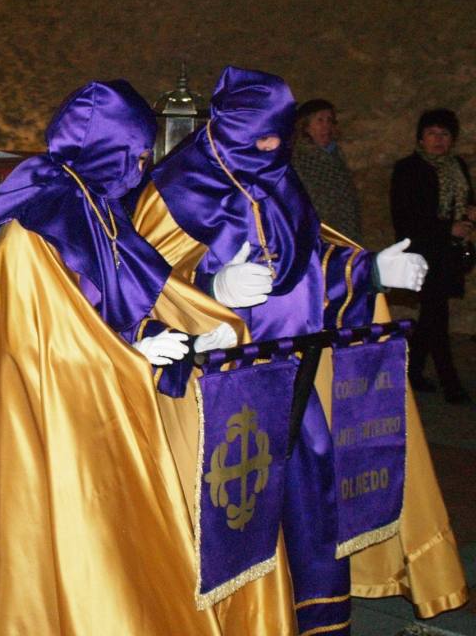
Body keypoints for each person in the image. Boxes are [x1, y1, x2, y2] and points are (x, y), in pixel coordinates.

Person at [0, 80, 297, 635]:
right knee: (63, 551)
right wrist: (128, 352)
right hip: (43, 421)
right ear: (105, 147)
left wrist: (197, 323)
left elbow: (130, 294)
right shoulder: (33, 224)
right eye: (136, 152)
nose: (144, 165)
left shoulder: (96, 207)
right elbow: (39, 339)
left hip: (95, 405)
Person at [134, 66, 467, 635]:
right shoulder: (175, 188)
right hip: (210, 389)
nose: (267, 148)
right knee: (224, 512)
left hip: (290, 372)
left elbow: (312, 262)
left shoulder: (281, 180)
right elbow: (139, 284)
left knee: (310, 488)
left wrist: (370, 271)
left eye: (276, 136)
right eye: (256, 137)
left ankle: (309, 616)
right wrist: (210, 290)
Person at [391, 108, 474, 404]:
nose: (438, 140)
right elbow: (406, 217)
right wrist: (447, 227)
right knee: (437, 317)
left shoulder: (457, 167)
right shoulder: (408, 169)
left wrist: (467, 219)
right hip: (423, 253)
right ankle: (450, 383)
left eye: (445, 134)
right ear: (421, 138)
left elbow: (466, 202)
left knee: (431, 316)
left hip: (448, 253)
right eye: (432, 134)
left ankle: (410, 372)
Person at [291, 98, 363, 240]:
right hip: (321, 234)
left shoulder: (336, 156)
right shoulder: (299, 160)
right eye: (320, 121)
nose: (326, 126)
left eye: (330, 120)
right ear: (306, 126)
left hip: (346, 231)